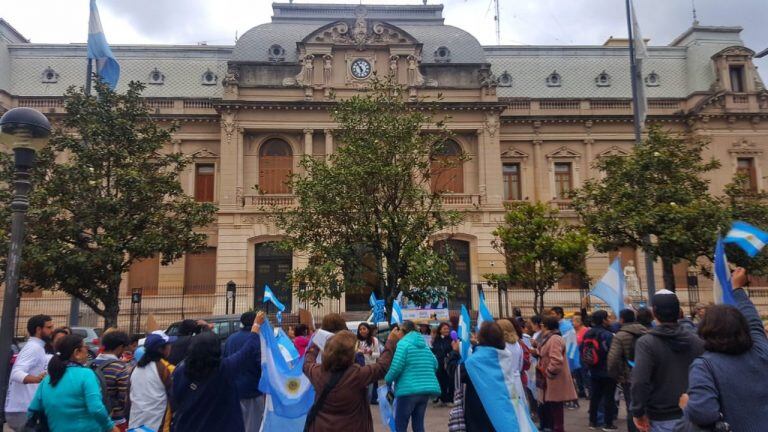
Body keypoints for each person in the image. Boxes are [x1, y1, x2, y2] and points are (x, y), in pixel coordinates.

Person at [681, 267, 768, 431]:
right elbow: (754, 320)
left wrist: (687, 406)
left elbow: (703, 413)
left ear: (705, 330)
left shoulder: (704, 366)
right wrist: (737, 288)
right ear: (743, 327)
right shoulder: (761, 350)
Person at [171, 317, 262, 432]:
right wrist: (255, 328)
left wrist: (206, 328)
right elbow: (247, 351)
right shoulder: (223, 369)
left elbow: (175, 399)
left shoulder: (180, 371)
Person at [631, 290, 704, 432]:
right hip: (694, 413)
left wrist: (637, 411)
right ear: (678, 311)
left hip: (661, 416)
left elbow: (640, 381)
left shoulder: (646, 343)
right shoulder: (697, 341)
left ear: (654, 312)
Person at [302, 326, 400, 432]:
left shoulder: (317, 372)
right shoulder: (357, 375)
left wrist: (316, 343)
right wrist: (390, 341)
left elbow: (307, 362)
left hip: (321, 427)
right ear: (350, 354)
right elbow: (382, 367)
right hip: (353, 427)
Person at [28, 334, 118, 432]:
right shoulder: (86, 374)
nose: (87, 350)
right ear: (77, 353)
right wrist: (110, 427)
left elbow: (32, 410)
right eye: (85, 347)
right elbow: (96, 408)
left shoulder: (48, 379)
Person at [461, 321, 533, 432]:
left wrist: (455, 354)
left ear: (481, 337)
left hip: (481, 410)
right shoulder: (505, 354)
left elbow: (458, 374)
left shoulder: (475, 360)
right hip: (510, 394)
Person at [385, 320, 440, 432]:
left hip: (407, 390)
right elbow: (435, 364)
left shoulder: (403, 344)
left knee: (400, 425)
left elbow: (396, 367)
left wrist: (387, 379)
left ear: (403, 331)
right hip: (424, 391)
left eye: (399, 330)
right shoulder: (424, 346)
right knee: (418, 425)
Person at [4, 314, 54, 431]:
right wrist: (37, 379)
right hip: (22, 410)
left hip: (23, 409)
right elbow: (16, 373)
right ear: (38, 329)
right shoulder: (34, 348)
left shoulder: (36, 347)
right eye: (49, 327)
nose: (52, 330)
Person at [223, 311, 263, 432]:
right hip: (252, 390)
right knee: (253, 425)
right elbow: (260, 364)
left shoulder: (230, 339)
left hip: (234, 389)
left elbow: (226, 359)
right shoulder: (257, 340)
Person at [607, 309, 647, 432]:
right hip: (647, 374)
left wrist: (614, 376)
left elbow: (613, 359)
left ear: (622, 319)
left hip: (628, 376)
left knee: (632, 407)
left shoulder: (620, 336)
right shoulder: (647, 332)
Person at [129, 330, 176, 432]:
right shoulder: (165, 369)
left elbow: (127, 398)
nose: (170, 347)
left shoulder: (135, 368)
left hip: (135, 425)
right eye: (168, 345)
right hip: (157, 425)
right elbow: (174, 397)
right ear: (161, 349)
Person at [537, 315, 577, 432]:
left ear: (546, 326)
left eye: (543, 325)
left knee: (557, 410)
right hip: (551, 379)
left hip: (555, 379)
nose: (541, 327)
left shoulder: (554, 338)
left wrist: (548, 373)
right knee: (553, 409)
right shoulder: (549, 337)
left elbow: (556, 360)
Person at [582, 309, 617, 431]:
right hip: (607, 370)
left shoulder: (588, 333)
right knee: (609, 397)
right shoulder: (607, 335)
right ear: (603, 320)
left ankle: (593, 421)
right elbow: (613, 352)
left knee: (595, 397)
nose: (609, 320)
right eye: (607, 318)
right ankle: (608, 423)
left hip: (593, 369)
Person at [91, 330, 132, 432]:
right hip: (115, 422)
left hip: (93, 420)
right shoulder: (121, 368)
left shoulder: (89, 365)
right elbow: (124, 398)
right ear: (120, 347)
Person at [431, 322, 453, 405]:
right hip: (439, 363)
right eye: (444, 329)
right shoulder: (437, 339)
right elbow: (435, 349)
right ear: (440, 330)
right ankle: (441, 398)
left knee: (448, 381)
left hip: (449, 363)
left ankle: (448, 399)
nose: (447, 330)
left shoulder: (451, 339)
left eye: (448, 329)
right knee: (440, 380)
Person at [572, 314, 589, 399]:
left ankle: (589, 392)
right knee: (577, 374)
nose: (573, 323)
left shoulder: (585, 330)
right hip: (575, 356)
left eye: (574, 321)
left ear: (579, 322)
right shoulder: (573, 331)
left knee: (584, 374)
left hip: (583, 355)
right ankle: (581, 391)